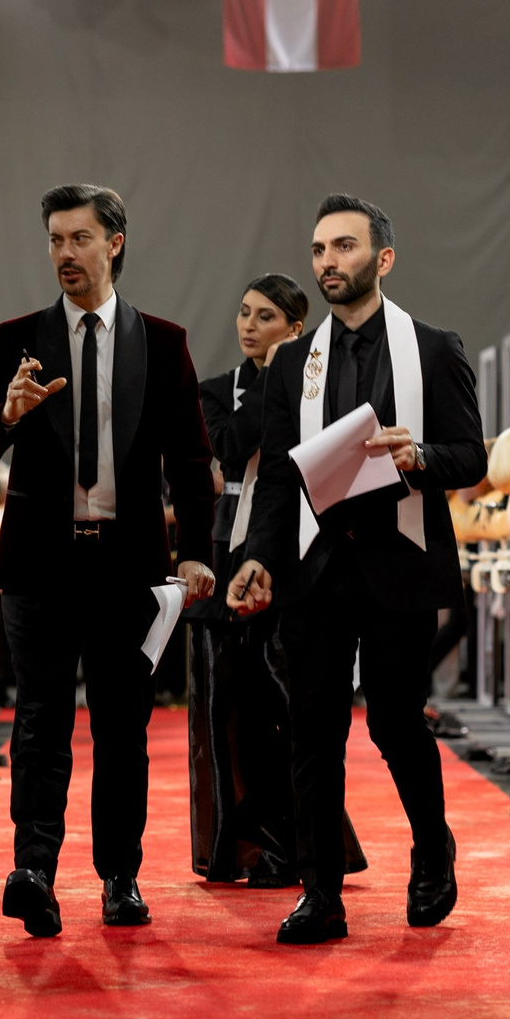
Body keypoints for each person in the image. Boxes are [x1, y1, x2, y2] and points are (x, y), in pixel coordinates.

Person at [0, 183, 216, 938]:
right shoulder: (16, 339)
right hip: (39, 567)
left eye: (79, 239)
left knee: (123, 729)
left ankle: (120, 878)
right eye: (55, 240)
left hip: (129, 569)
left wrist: (196, 554)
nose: (64, 254)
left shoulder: (162, 342)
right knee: (39, 722)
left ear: (114, 243)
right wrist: (7, 414)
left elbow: (190, 460)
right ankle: (33, 871)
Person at [228, 194, 487, 944]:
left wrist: (420, 456)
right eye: (319, 250)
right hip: (314, 569)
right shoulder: (292, 364)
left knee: (397, 723)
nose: (328, 261)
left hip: (398, 561)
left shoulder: (432, 349)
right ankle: (320, 894)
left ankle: (432, 849)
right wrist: (257, 558)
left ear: (384, 258)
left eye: (344, 246)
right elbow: (277, 478)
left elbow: (471, 456)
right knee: (312, 731)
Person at [187, 274, 369, 887]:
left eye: (264, 317)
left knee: (293, 709)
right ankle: (246, 844)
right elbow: (230, 446)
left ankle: (304, 845)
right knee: (229, 714)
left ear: (295, 328)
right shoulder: (217, 391)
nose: (248, 325)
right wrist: (278, 378)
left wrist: (289, 376)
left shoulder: (320, 390)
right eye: (244, 313)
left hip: (296, 554)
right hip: (226, 557)